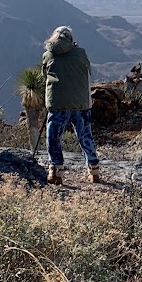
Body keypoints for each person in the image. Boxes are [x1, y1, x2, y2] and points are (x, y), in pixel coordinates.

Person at [40, 26, 99, 185]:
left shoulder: (48, 55)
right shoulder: (80, 53)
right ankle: (93, 170)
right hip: (81, 102)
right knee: (85, 135)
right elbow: (88, 71)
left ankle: (55, 171)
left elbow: (44, 75)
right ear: (70, 39)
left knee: (53, 137)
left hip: (57, 102)